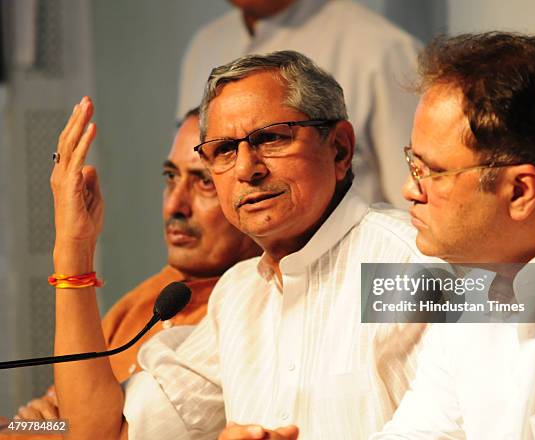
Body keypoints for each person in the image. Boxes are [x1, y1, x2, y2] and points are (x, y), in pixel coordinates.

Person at [51, 51, 431, 440]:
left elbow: (484, 418)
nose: (247, 169)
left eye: (270, 138)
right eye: (225, 151)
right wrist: (73, 249)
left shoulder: (414, 265)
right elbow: (102, 433)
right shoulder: (238, 298)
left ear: (339, 148)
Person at [371, 32, 535, 440]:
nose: (409, 190)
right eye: (413, 163)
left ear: (520, 191)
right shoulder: (477, 280)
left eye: (432, 172)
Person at [4, 109, 260, 438]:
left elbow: (88, 433)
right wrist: (24, 426)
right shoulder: (147, 300)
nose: (175, 205)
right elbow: (43, 420)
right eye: (171, 178)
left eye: (205, 182)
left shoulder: (248, 309)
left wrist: (74, 251)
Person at [178, 0, 421, 207]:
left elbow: (416, 205)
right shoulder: (205, 46)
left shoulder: (381, 49)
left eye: (273, 138)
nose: (244, 169)